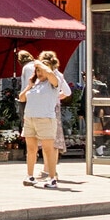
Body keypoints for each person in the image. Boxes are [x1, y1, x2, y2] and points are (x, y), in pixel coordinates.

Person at [20, 55, 72, 188]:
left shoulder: (53, 82)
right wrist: (29, 85)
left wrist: (41, 64)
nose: (39, 73)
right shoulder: (35, 84)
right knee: (31, 149)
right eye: (37, 71)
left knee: (48, 149)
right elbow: (22, 98)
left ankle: (52, 177)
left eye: (41, 70)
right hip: (30, 118)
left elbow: (52, 76)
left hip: (45, 119)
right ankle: (30, 175)